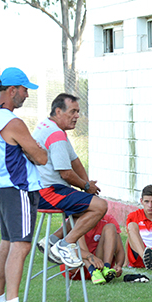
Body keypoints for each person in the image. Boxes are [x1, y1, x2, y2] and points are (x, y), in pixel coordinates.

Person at [0, 67, 48, 302]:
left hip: (3, 188)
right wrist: (34, 148)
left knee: (7, 244)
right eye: (24, 90)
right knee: (21, 246)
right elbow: (41, 157)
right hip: (20, 189)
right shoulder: (14, 122)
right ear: (12, 90)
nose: (26, 94)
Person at [33, 93, 108, 269]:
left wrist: (87, 185)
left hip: (45, 189)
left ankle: (51, 240)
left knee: (87, 205)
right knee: (100, 206)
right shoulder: (56, 134)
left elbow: (74, 160)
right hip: (48, 191)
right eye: (73, 111)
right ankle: (65, 244)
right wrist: (86, 186)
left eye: (78, 111)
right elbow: (66, 173)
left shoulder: (48, 126)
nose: (77, 116)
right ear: (58, 111)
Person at [71, 214, 125, 285]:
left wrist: (119, 265)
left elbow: (119, 249)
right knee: (77, 227)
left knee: (110, 227)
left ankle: (106, 268)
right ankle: (92, 271)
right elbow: (67, 250)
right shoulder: (73, 219)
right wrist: (90, 256)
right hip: (78, 264)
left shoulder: (108, 219)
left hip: (99, 263)